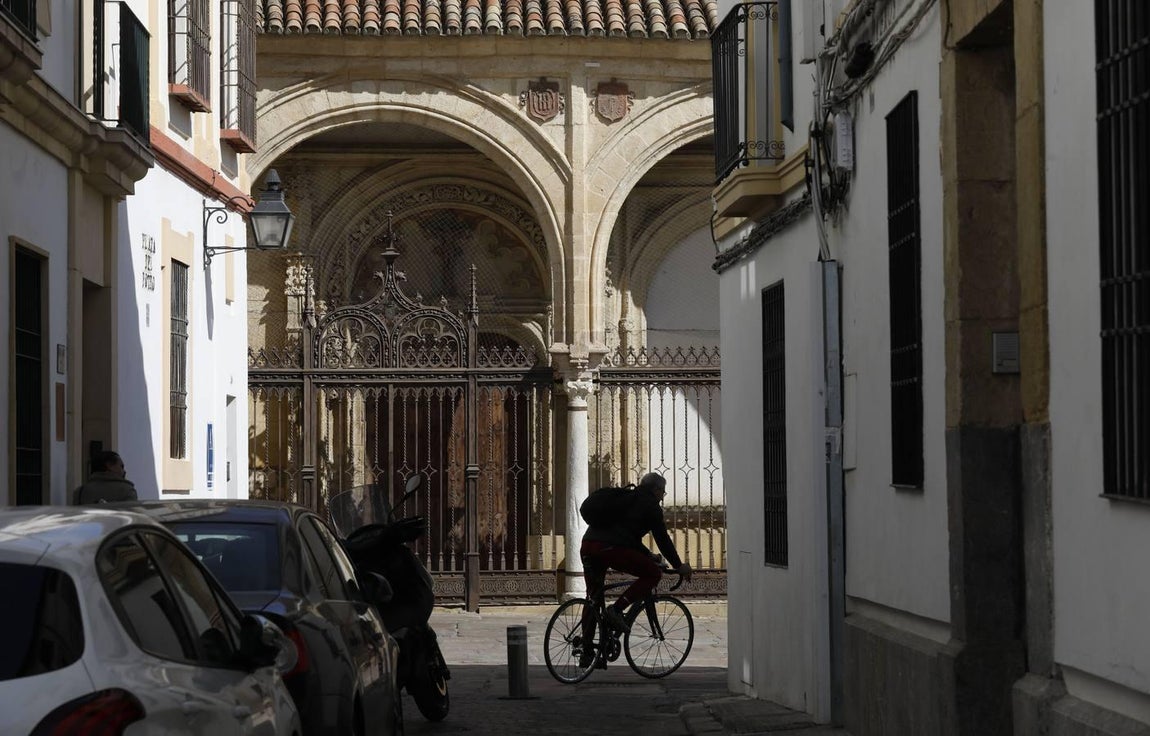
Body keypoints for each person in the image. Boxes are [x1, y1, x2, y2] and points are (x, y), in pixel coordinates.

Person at [580, 472, 693, 637]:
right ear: (656, 490)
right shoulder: (651, 505)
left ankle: (587, 647)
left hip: (588, 545)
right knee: (653, 573)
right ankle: (616, 610)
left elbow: (627, 536)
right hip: (610, 548)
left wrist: (648, 554)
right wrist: (679, 565)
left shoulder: (626, 497)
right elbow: (662, 539)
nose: (662, 497)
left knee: (593, 597)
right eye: (663, 492)